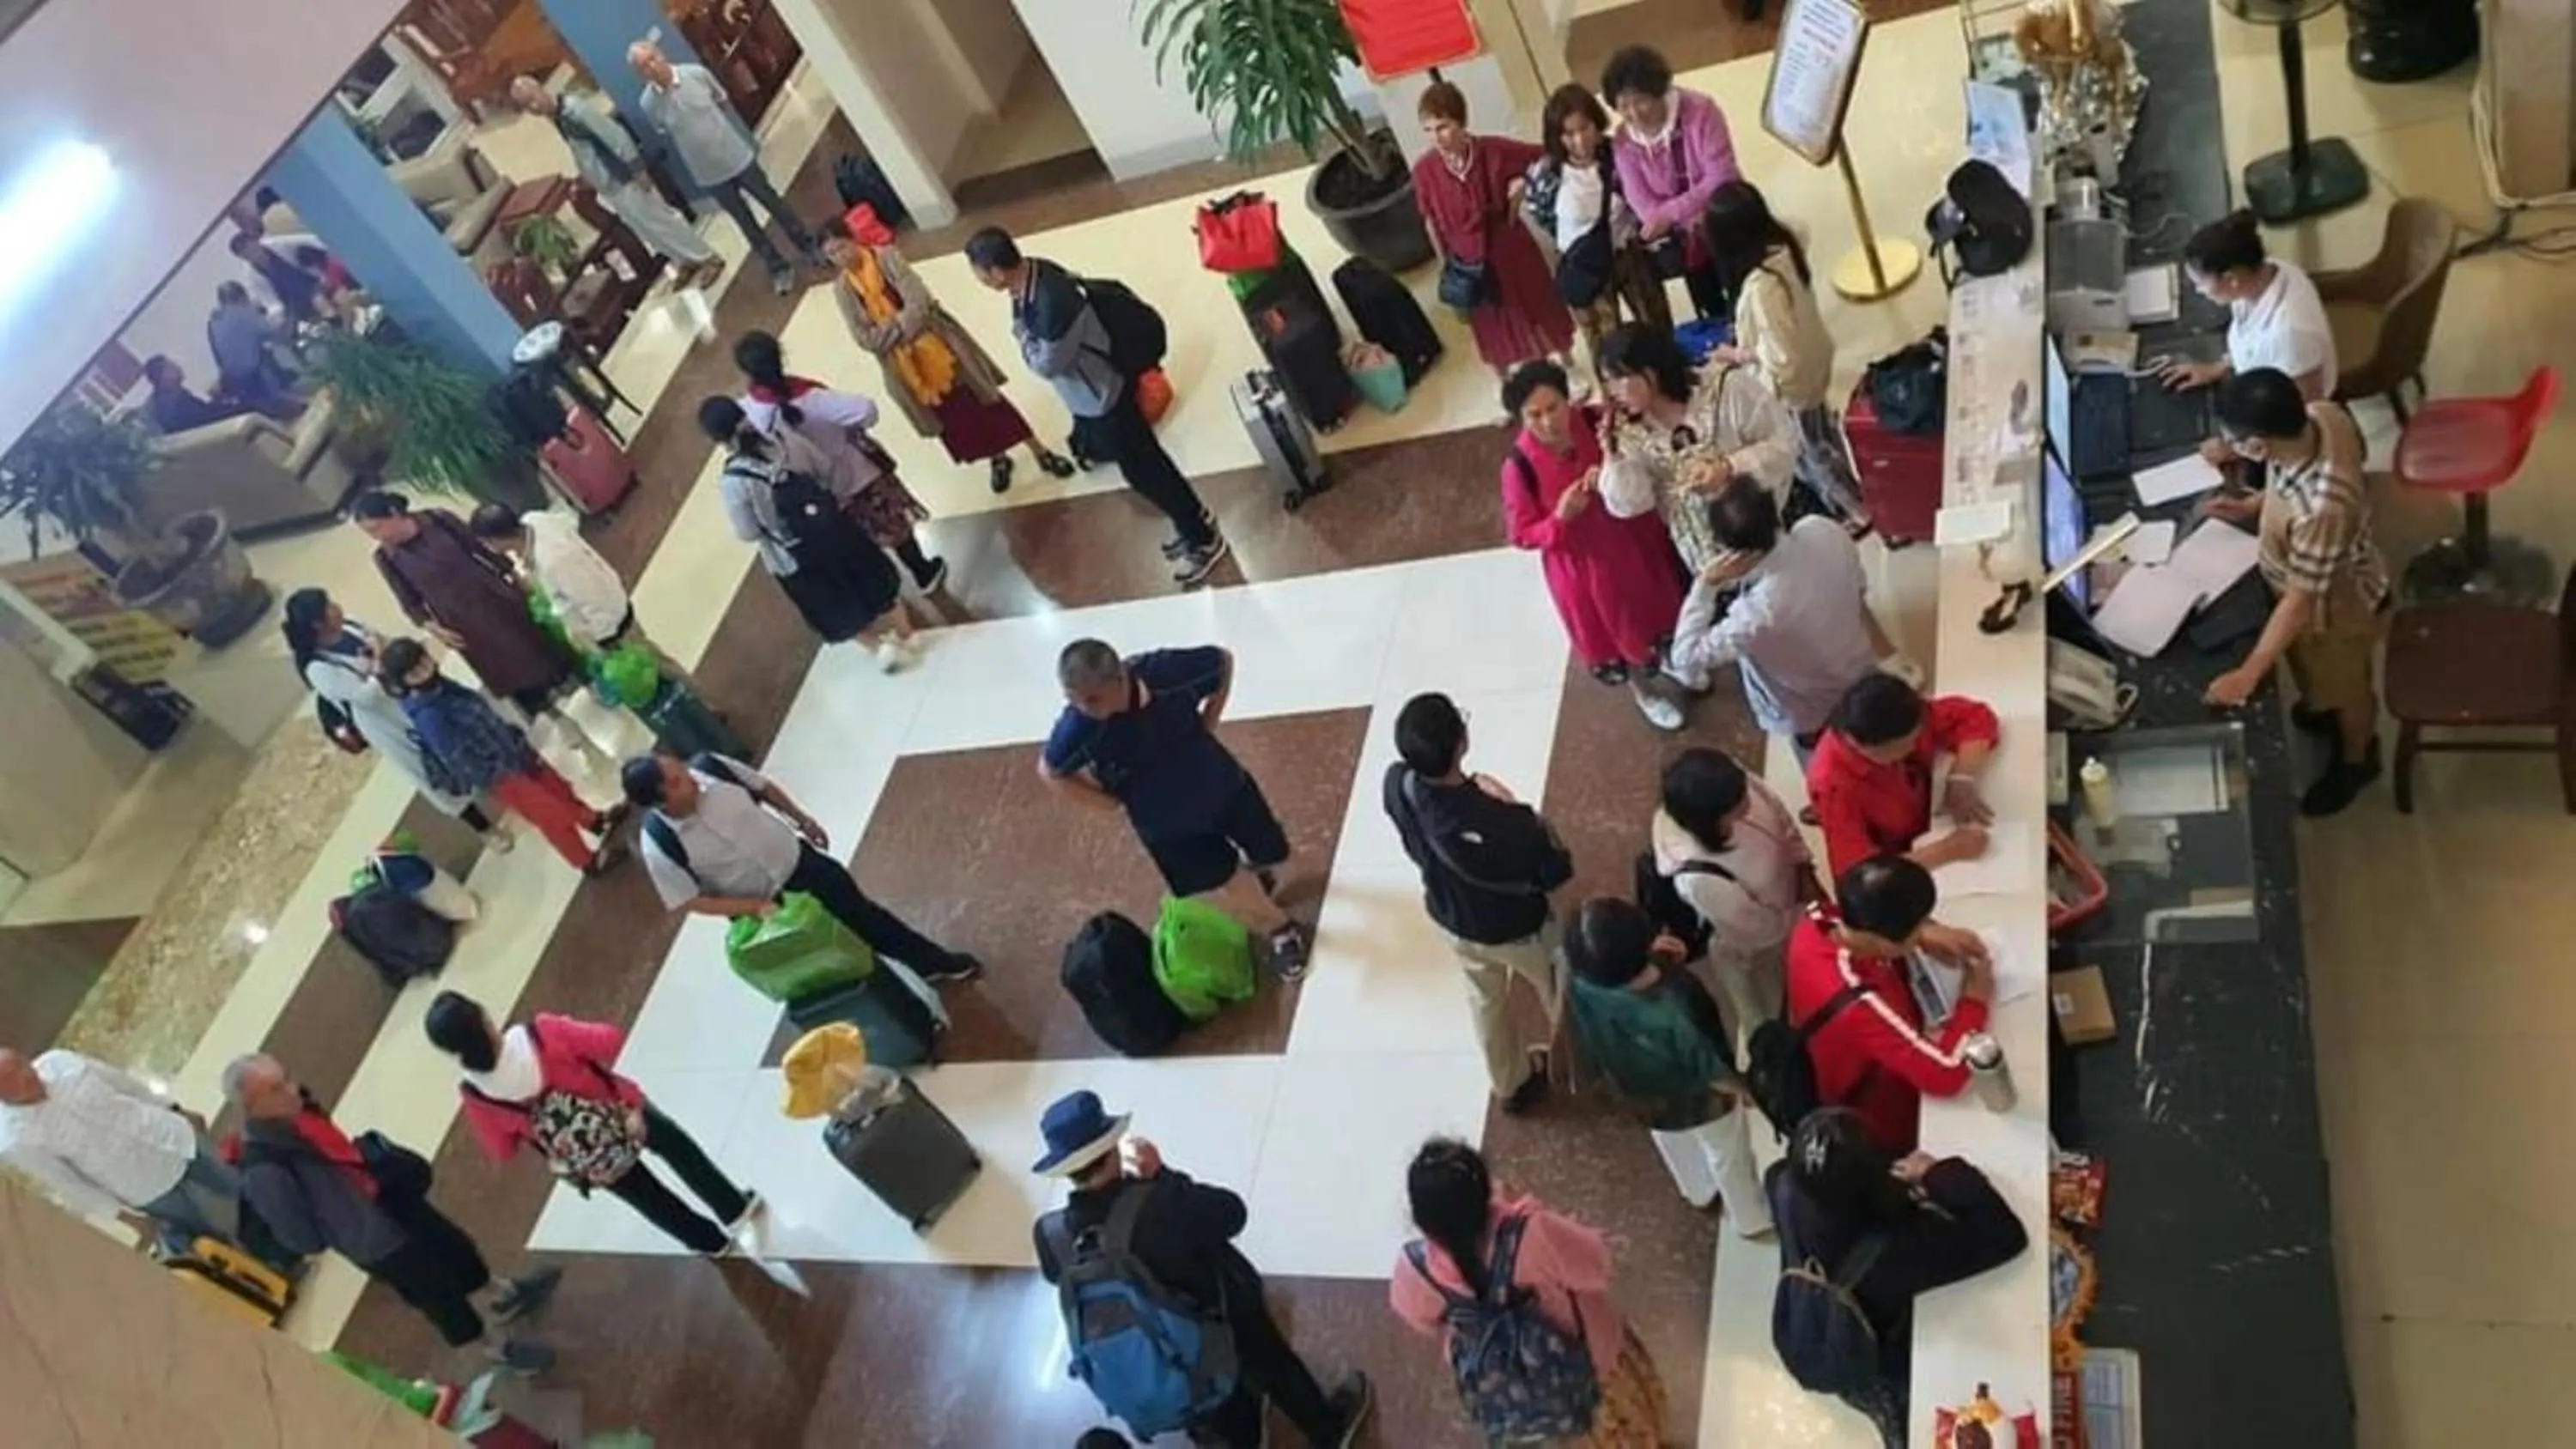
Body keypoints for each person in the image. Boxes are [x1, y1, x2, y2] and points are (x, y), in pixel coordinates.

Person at [1032, 1090, 1373, 1447]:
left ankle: (1234, 1434)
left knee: (1206, 1399)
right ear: (1112, 1147)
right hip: (1221, 1322)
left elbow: (1060, 1276)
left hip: (1163, 1354)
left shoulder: (1049, 1234)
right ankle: (1329, 1430)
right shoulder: (1161, 1202)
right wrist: (1163, 1175)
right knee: (1272, 1364)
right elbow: (1232, 1213)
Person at [224, 1052, 560, 1371]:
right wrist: (341, 1222)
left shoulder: (298, 1110)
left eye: (286, 1078)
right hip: (374, 1239)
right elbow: (301, 1238)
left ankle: (504, 1294)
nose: (291, 1089)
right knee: (435, 1293)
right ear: (252, 1106)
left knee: (453, 1246)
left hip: (388, 1196)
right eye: (276, 1089)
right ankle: (493, 1347)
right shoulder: (264, 1171)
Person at [967, 227, 1227, 585]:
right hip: (1094, 394)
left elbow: (1046, 364)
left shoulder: (1052, 303)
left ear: (994, 270)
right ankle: (1194, 520)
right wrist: (1029, 338)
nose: (979, 279)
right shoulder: (1032, 276)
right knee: (1146, 463)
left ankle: (1204, 538)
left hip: (1105, 396)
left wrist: (1024, 340)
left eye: (978, 271)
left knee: (1145, 470)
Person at [1042, 640, 1308, 979]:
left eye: (1092, 698)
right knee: (1226, 879)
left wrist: (1208, 720)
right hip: (1170, 827)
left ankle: (1256, 875)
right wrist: (1107, 803)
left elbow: (1221, 662)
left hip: (1224, 788)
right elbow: (1051, 771)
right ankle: (1280, 929)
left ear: (1119, 678)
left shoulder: (1167, 673)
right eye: (1072, 699)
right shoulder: (1079, 727)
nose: (1083, 707)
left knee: (1270, 850)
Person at [425, 992, 761, 1257]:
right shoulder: (540, 1033)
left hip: (590, 1155)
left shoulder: (476, 1094)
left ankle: (709, 1242)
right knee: (680, 1152)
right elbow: (609, 1039)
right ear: (484, 1018)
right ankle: (734, 1208)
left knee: (651, 1199)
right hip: (626, 1112)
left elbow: (502, 1150)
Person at [1765, 1107, 2030, 1443]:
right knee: (1905, 1407)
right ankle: (1892, 1413)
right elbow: (2004, 1234)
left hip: (1814, 1312)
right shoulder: (1892, 1253)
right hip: (1872, 1351)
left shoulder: (1782, 1184)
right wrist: (1934, 1174)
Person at [2199, 367, 2391, 815]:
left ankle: (2358, 759)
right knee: (2318, 677)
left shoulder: (2321, 509)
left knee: (2348, 689)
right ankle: (2323, 708)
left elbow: (2302, 601)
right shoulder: (2320, 415)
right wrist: (2252, 505)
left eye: (2238, 440)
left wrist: (2249, 673)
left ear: (2257, 447)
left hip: (2334, 604)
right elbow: (2286, 482)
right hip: (2305, 577)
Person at [1390, 1138, 1669, 1446]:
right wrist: (1517, 1207)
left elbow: (1420, 1318)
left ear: (1421, 1220)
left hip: (1510, 1391)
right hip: (1588, 1366)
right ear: (1485, 1191)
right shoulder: (1534, 1233)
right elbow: (1597, 1264)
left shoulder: (1414, 1268)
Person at [621, 749, 982, 985]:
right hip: (767, 908)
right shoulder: (659, 845)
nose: (689, 776)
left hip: (801, 866)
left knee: (865, 916)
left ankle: (933, 963)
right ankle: (888, 999)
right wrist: (752, 908)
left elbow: (761, 787)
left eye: (679, 769)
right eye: (677, 781)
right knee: (827, 957)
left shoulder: (710, 769)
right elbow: (690, 900)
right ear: (659, 801)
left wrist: (801, 819)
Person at [1382, 692, 1574, 1114]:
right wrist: (1509, 804)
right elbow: (1555, 868)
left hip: (1450, 917)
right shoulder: (1499, 822)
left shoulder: (1397, 784)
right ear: (1461, 744)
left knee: (1485, 1000)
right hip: (1518, 929)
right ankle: (1573, 1067)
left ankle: (1510, 1081)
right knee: (1560, 991)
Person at [819, 209, 1076, 496]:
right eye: (831, 254)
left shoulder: (887, 257)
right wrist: (901, 330)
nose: (839, 257)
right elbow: (864, 338)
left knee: (986, 399)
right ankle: (997, 458)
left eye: (841, 247)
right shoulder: (842, 289)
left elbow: (918, 301)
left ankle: (1040, 451)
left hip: (940, 346)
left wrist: (892, 330)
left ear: (853, 239)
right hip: (908, 368)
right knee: (959, 417)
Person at [1560, 900, 1771, 1234]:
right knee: (1728, 1152)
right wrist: (1748, 1093)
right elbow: (1711, 1069)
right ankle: (1750, 1217)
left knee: (1672, 1142)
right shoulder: (1677, 1000)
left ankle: (1698, 1191)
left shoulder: (1580, 979)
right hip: (1701, 1102)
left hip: (1637, 1093)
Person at [352, 490, 608, 766]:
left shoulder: (437, 520)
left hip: (496, 599)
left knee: (544, 646)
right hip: (464, 624)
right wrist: (433, 628)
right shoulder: (387, 559)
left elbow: (482, 548)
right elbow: (410, 603)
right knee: (513, 677)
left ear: (393, 513)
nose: (378, 537)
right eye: (370, 533)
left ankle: (592, 686)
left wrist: (514, 574)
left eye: (377, 528)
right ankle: (562, 722)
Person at [1500, 360, 1688, 730]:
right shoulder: (1518, 466)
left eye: (1553, 408)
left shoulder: (1593, 422)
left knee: (1655, 604)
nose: (1547, 422)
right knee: (1616, 631)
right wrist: (1561, 517)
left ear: (1568, 399)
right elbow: (1521, 533)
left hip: (1630, 540)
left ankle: (1668, 658)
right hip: (1585, 568)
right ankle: (1644, 693)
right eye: (1533, 415)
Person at [1666, 478, 1887, 762]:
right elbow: (1858, 586)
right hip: (1859, 664)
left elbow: (1685, 657)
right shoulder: (1820, 529)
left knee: (1825, 758)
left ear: (1728, 549)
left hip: (1809, 708)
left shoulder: (1757, 614)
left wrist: (1705, 587)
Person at [1785, 856, 1995, 1153]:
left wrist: (1923, 935)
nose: (1924, 927)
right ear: (1887, 941)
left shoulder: (1819, 918)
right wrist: (1975, 998)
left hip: (1867, 1050)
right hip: (1880, 1105)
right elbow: (1944, 1074)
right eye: (1918, 925)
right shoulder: (1858, 1002)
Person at [701, 396, 920, 670]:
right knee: (875, 581)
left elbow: (748, 532)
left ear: (718, 440)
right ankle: (908, 634)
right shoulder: (782, 439)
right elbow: (826, 470)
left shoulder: (733, 483)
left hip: (794, 556)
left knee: (833, 609)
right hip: (834, 530)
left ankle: (879, 649)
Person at [378, 637, 629, 876]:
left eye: (424, 661)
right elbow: (458, 759)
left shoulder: (443, 687)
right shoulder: (428, 715)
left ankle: (592, 820)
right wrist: (499, 773)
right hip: (501, 775)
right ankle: (587, 861)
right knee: (550, 815)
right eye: (415, 673)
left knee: (558, 788)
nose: (425, 671)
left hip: (512, 749)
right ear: (405, 682)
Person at [732, 328, 947, 595]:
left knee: (858, 541)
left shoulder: (748, 411)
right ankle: (922, 573)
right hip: (855, 475)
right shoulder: (811, 398)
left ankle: (885, 592)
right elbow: (866, 410)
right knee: (894, 527)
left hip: (815, 493)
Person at [1704, 179, 1868, 528]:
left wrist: (1738, 355)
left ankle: (1854, 510)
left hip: (1793, 387)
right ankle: (1856, 493)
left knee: (1811, 452)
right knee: (1824, 436)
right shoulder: (1786, 243)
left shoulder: (1761, 287)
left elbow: (1781, 356)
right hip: (1816, 361)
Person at [283, 589, 503, 844]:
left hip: (410, 697)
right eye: (329, 607)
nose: (337, 607)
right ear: (317, 623)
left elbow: (388, 647)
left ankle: (501, 792)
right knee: (435, 775)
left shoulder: (351, 626)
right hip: (388, 723)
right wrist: (378, 660)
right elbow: (366, 696)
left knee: (460, 743)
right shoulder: (319, 668)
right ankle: (486, 831)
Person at [1597, 323, 1798, 578]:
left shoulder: (1726, 389)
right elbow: (1631, 504)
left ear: (1651, 371)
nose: (1612, 392)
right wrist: (1612, 457)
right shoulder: (1631, 436)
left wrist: (1729, 468)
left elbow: (1783, 444)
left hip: (1768, 538)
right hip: (1711, 566)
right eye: (1607, 381)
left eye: (1619, 379)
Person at [0, 1046, 244, 1252]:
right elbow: (67, 1184)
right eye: (10, 1080)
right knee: (208, 1238)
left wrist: (176, 1109)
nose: (25, 1077)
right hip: (146, 1187)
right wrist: (126, 1218)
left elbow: (125, 1084)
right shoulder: (16, 1140)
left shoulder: (61, 1062)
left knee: (240, 1187)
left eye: (21, 1065)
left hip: (173, 1136)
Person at [1413, 80, 1577, 382]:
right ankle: (1504, 384)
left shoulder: (1493, 150)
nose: (1437, 137)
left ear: (1461, 123)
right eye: (1429, 129)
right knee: (1488, 324)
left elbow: (1545, 154)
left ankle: (1565, 365)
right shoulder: (1425, 170)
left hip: (1508, 247)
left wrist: (1523, 186)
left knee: (1537, 306)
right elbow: (1430, 221)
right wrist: (1444, 264)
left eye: (1443, 127)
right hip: (1468, 261)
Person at [629, 39, 820, 295]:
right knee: (745, 222)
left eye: (652, 58)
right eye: (644, 66)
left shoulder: (695, 74)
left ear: (661, 54)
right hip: (708, 175)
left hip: (737, 158)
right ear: (639, 74)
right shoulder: (648, 104)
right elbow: (662, 128)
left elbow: (721, 100)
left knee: (773, 202)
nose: (651, 67)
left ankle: (808, 246)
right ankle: (777, 267)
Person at [1651, 747, 1811, 1040]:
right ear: (1710, 819)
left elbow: (1777, 810)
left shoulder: (1729, 781)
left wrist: (1802, 862)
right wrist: (1799, 916)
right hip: (1761, 931)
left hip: (1785, 899)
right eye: (1738, 804)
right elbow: (1755, 928)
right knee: (1751, 975)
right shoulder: (1702, 879)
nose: (1749, 800)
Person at [511, 76, 725, 292]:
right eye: (527, 106)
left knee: (661, 219)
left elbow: (615, 135)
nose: (534, 106)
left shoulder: (574, 111)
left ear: (540, 88)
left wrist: (637, 168)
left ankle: (706, 257)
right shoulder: (557, 118)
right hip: (610, 186)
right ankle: (684, 260)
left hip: (623, 177)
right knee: (646, 229)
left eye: (533, 98)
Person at [2158, 209, 2340, 460]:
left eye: (2200, 283)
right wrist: (2218, 367)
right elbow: (2252, 340)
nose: (2198, 291)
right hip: (2255, 389)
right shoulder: (2262, 277)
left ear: (2231, 279)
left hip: (2277, 428)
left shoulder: (2291, 334)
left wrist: (2236, 448)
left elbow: (2301, 414)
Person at [466, 503, 699, 694]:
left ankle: (703, 703)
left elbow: (590, 597)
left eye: (486, 542)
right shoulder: (535, 519)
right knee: (651, 667)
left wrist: (604, 641)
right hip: (607, 610)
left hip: (612, 623)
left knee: (654, 664)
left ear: (495, 540)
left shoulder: (554, 560)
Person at [1522, 83, 1672, 371]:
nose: (1580, 140)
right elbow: (1542, 215)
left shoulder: (1619, 155)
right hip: (1585, 265)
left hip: (1627, 252)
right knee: (1605, 344)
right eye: (1569, 133)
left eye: (1585, 128)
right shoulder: (1547, 175)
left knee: (1655, 324)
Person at [1807, 674, 2000, 881]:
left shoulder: (1897, 714)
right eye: (1905, 745)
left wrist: (1961, 778)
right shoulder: (1834, 786)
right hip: (1905, 856)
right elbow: (1860, 876)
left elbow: (1975, 717)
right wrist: (1945, 851)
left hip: (1930, 811)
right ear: (1869, 748)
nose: (1914, 746)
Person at [1601, 45, 1741, 320]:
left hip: (1722, 218)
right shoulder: (1624, 141)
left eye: (1640, 100)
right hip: (1686, 241)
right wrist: (1682, 213)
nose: (1634, 113)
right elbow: (1643, 207)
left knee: (1741, 287)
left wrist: (1671, 213)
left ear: (1660, 91)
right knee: (1709, 301)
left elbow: (1722, 176)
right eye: (1623, 106)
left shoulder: (1701, 112)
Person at [205, 281, 302, 420]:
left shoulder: (213, 321)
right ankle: (285, 403)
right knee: (273, 353)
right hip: (257, 377)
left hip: (236, 384)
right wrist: (292, 313)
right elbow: (283, 337)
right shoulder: (246, 313)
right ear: (243, 297)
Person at [141, 355, 254, 433]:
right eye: (172, 366)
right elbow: (207, 419)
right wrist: (233, 404)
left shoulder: (163, 403)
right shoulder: (178, 404)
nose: (178, 367)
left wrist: (217, 400)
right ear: (164, 377)